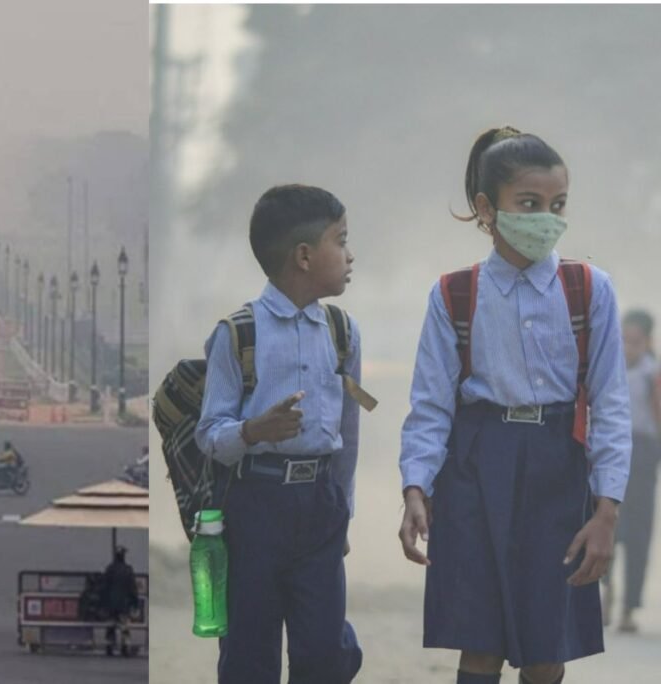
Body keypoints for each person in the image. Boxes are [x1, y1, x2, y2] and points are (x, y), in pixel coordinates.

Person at [398, 127, 631, 684]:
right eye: (529, 204)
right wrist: (415, 487)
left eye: (557, 205)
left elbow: (611, 404)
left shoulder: (588, 289)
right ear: (487, 209)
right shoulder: (454, 294)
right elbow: (431, 406)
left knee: (546, 649)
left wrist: (605, 511)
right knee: (479, 645)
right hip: (475, 469)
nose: (545, 217)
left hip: (559, 470)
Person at [195, 184, 363, 683]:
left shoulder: (342, 332)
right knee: (249, 656)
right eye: (342, 241)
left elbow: (347, 436)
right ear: (305, 256)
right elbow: (210, 433)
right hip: (254, 508)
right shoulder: (237, 334)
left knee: (324, 656)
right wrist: (252, 430)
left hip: (320, 506)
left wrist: (343, 513)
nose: (350, 255)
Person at [602, 310, 661, 633]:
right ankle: (604, 590)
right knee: (607, 525)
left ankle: (629, 607)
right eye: (623, 340)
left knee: (638, 535)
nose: (628, 347)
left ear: (648, 342)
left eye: (635, 342)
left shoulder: (654, 374)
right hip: (613, 451)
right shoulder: (609, 370)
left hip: (644, 457)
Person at [103, 546, 139, 656]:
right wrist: (135, 602)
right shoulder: (128, 570)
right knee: (125, 627)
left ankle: (109, 646)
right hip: (124, 604)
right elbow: (132, 588)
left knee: (110, 625)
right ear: (124, 556)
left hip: (111, 603)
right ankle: (125, 646)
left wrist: (104, 603)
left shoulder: (109, 569)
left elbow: (104, 587)